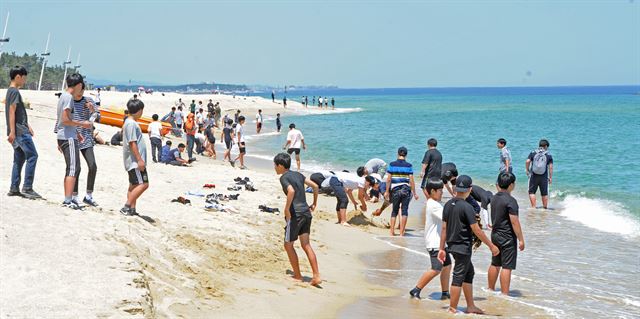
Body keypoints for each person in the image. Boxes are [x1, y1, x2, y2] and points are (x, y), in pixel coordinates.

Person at [437, 175, 499, 314]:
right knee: (458, 276)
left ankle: (470, 305)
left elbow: (444, 228)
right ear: (470, 189)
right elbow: (476, 229)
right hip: (463, 247)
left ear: (456, 188)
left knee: (469, 272)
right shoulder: (467, 207)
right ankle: (452, 308)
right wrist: (491, 246)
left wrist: (442, 248)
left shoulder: (448, 204)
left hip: (452, 245)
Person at [274, 153, 322, 286]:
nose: (275, 168)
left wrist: (286, 209)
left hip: (296, 214)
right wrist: (314, 203)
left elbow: (291, 191)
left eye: (275, 165)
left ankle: (297, 275)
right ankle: (316, 275)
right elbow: (315, 186)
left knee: (288, 245)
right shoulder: (299, 175)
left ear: (281, 166)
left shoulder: (284, 177)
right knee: (306, 245)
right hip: (306, 213)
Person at [54, 73, 93, 209]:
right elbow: (65, 120)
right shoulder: (69, 98)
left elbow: (62, 120)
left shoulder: (63, 97)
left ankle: (69, 198)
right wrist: (83, 124)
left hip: (66, 135)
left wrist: (77, 133)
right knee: (73, 168)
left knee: (74, 167)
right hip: (67, 137)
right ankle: (68, 199)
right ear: (78, 85)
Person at [409, 178, 451, 300]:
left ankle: (445, 292)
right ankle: (416, 289)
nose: (442, 192)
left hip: (440, 242)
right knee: (436, 269)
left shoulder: (433, 203)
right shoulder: (434, 205)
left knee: (447, 266)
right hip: (435, 243)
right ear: (432, 191)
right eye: (440, 190)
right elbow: (447, 219)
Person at [5, 66, 41, 199]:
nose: (25, 81)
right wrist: (13, 132)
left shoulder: (10, 91)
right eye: (24, 78)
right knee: (32, 156)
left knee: (19, 159)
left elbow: (18, 113)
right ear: (18, 77)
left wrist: (28, 125)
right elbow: (11, 111)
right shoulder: (14, 91)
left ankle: (14, 188)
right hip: (19, 132)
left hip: (18, 130)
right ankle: (27, 187)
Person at [488, 172, 524, 295]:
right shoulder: (511, 201)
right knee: (507, 266)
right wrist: (521, 239)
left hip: (495, 234)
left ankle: (490, 289)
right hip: (507, 237)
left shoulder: (494, 198)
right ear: (511, 185)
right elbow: (514, 222)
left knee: (495, 263)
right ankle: (504, 294)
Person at [72, 83, 100, 206]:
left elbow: (97, 117)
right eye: (79, 90)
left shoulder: (89, 100)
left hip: (87, 138)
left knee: (93, 165)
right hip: (73, 137)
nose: (81, 92)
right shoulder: (69, 101)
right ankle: (74, 195)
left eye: (83, 90)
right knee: (76, 168)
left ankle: (88, 196)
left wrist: (92, 110)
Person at [120, 98, 149, 216]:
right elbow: (132, 142)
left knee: (134, 185)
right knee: (144, 184)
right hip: (134, 161)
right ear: (139, 110)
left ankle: (132, 209)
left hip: (131, 161)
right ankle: (127, 206)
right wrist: (139, 160)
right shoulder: (131, 123)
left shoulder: (127, 122)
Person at [385, 146, 419, 236]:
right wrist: (414, 193)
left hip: (395, 190)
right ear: (406, 155)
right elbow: (411, 180)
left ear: (397, 153)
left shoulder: (392, 164)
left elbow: (388, 179)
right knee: (404, 211)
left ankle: (392, 232)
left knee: (394, 211)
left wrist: (387, 191)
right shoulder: (409, 166)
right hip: (405, 190)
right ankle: (401, 233)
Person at [526, 139, 554, 209]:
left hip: (534, 175)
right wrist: (550, 177)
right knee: (544, 193)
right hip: (543, 176)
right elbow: (550, 167)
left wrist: (527, 170)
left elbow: (527, 161)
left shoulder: (533, 152)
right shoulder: (548, 155)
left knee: (532, 192)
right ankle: (545, 208)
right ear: (546, 146)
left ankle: (533, 207)